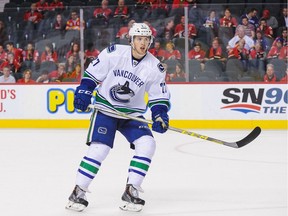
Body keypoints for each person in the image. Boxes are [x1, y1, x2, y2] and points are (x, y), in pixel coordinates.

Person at [66, 23, 170, 212]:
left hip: (132, 114)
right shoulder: (113, 53)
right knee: (100, 149)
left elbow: (158, 96)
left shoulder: (155, 67)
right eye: (139, 39)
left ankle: (131, 191)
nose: (143, 43)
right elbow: (92, 75)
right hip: (106, 108)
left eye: (146, 39)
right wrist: (83, 92)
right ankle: (78, 192)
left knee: (147, 144)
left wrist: (160, 114)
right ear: (131, 40)